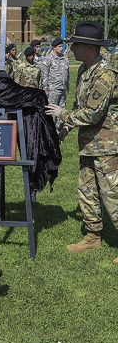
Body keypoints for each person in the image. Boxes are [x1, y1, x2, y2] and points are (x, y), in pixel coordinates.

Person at [45, 21, 118, 261]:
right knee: (87, 191)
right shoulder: (85, 70)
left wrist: (62, 115)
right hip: (88, 143)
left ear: (89, 47)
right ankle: (93, 236)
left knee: (112, 194)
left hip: (107, 145)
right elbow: (80, 105)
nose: (71, 48)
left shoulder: (105, 73)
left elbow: (93, 113)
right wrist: (66, 127)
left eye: (75, 44)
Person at [40, 38, 70, 128]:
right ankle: (50, 129)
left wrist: (67, 86)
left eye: (62, 46)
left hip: (63, 89)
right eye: (59, 46)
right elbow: (44, 75)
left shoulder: (64, 58)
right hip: (53, 90)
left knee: (61, 110)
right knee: (51, 111)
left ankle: (59, 130)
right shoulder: (48, 59)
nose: (61, 48)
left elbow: (67, 74)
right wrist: (45, 88)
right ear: (54, 48)